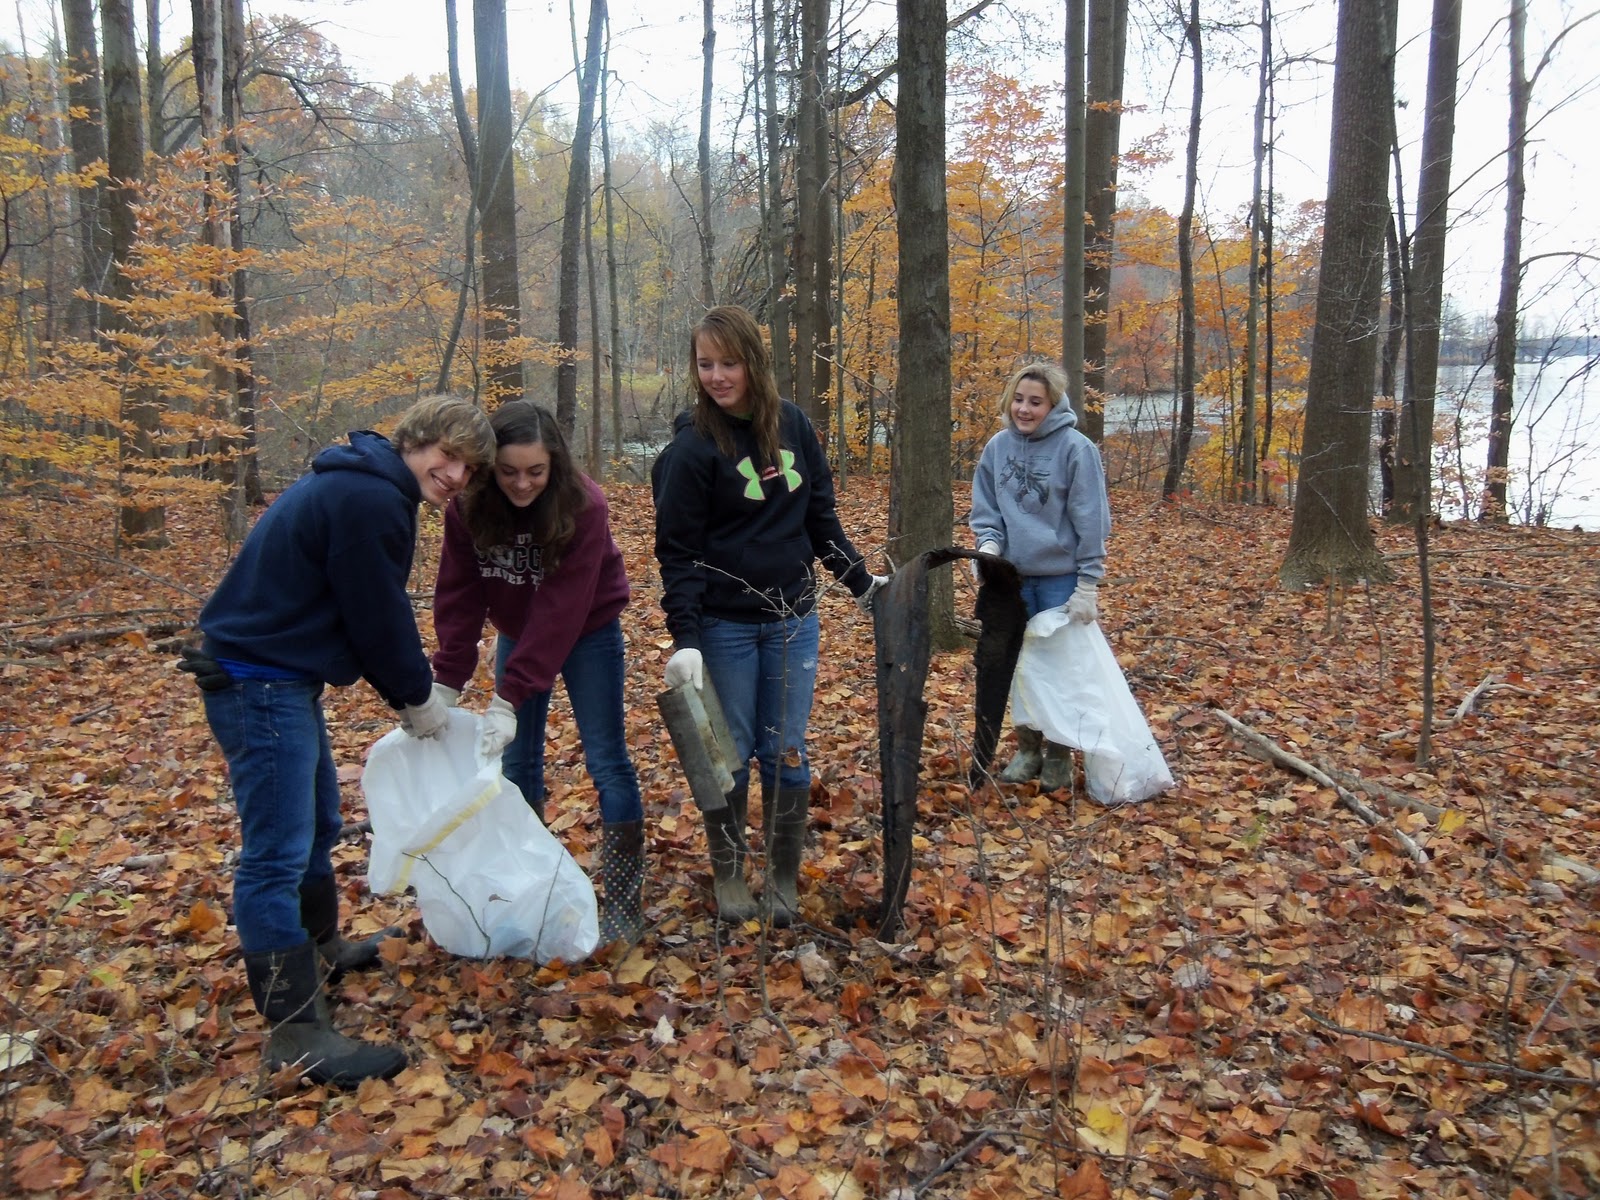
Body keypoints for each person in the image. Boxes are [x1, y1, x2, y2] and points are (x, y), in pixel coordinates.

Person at [178, 394, 496, 1087]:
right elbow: (376, 619)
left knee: (320, 820)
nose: (454, 476)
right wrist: (418, 700)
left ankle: (321, 948)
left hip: (282, 676)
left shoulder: (367, 485)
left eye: (468, 469)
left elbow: (362, 610)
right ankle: (294, 1032)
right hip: (257, 678)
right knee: (276, 853)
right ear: (417, 442)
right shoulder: (368, 499)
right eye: (447, 457)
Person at [652, 305, 887, 928]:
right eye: (705, 364)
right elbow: (676, 553)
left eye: (729, 362)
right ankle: (730, 874)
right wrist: (687, 637)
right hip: (725, 627)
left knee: (784, 749)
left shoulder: (795, 428)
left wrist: (863, 584)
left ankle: (782, 878)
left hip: (793, 618)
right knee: (725, 755)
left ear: (753, 361)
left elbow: (819, 519)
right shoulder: (692, 449)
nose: (717, 376)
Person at [429, 401, 644, 946]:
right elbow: (459, 593)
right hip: (517, 630)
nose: (522, 483)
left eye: (535, 471)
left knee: (607, 757)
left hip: (588, 630)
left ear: (555, 466)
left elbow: (561, 609)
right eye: (508, 471)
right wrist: (447, 681)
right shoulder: (467, 509)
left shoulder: (583, 505)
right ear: (488, 468)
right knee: (518, 761)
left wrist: (509, 696)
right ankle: (533, 888)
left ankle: (622, 898)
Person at [970, 360, 1111, 792]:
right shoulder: (997, 448)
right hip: (1009, 579)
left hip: (1058, 578)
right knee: (1016, 668)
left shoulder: (1076, 449)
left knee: (1057, 669)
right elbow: (987, 511)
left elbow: (1092, 520)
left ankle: (1058, 753)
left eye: (1035, 402)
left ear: (1053, 405)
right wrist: (989, 549)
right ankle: (1027, 747)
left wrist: (1088, 582)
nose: (1025, 410)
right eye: (1018, 399)